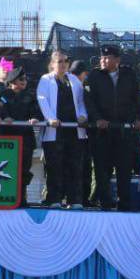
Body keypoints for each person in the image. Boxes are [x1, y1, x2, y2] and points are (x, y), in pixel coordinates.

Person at [84, 44, 140, 211]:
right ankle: (105, 204)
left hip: (124, 130)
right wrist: (97, 119)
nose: (103, 60)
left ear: (117, 59)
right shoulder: (94, 76)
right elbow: (89, 101)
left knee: (124, 169)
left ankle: (124, 204)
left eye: (107, 57)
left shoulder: (129, 74)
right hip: (102, 131)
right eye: (102, 57)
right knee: (102, 170)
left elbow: (138, 98)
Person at [36, 50, 88, 209]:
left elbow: (81, 101)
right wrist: (50, 118)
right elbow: (42, 99)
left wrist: (82, 116)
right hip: (55, 130)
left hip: (73, 130)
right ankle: (54, 199)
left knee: (75, 166)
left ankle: (75, 199)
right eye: (60, 61)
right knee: (55, 166)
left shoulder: (74, 80)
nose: (64, 64)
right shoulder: (46, 80)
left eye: (66, 61)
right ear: (52, 64)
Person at [0, 67, 40, 206]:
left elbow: (36, 111)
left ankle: (22, 196)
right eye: (21, 79)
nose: (24, 81)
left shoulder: (30, 96)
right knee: (6, 168)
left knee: (24, 168)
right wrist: (5, 116)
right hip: (8, 138)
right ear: (12, 81)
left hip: (25, 138)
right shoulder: (3, 94)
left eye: (25, 79)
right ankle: (6, 196)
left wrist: (35, 117)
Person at [69, 59, 95, 205]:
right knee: (81, 168)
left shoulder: (82, 89)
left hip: (80, 135)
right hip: (77, 135)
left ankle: (80, 198)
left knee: (80, 168)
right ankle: (81, 198)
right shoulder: (79, 87)